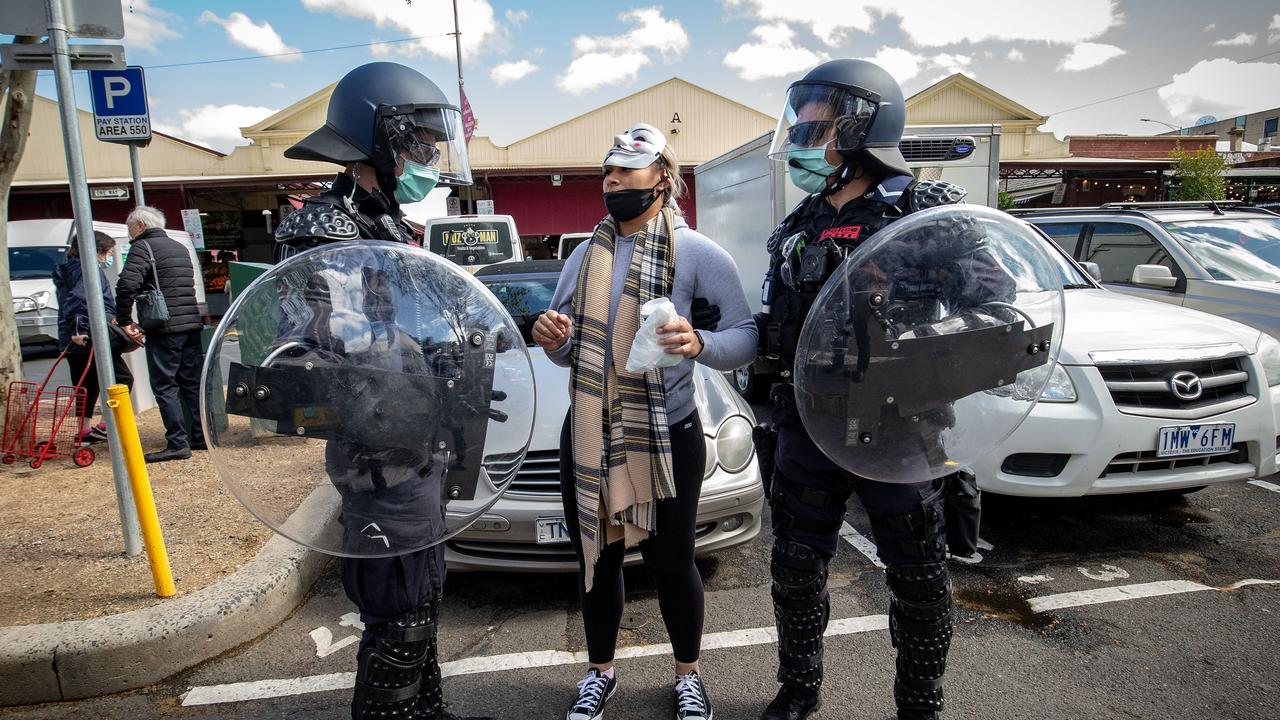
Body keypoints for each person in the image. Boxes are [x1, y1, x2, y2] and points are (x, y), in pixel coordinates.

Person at [755, 59, 977, 720]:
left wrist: (904, 320)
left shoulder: (924, 214)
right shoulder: (800, 223)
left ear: (861, 129)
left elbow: (992, 305)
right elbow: (776, 323)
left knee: (918, 578)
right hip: (808, 424)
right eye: (796, 128)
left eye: (814, 129)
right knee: (795, 571)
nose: (800, 141)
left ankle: (920, 705)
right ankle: (798, 691)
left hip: (899, 427)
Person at [272, 61, 485, 720]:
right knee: (397, 611)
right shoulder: (325, 233)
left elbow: (423, 328)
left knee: (420, 597)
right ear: (377, 143)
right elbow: (323, 354)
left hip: (419, 450)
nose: (428, 156)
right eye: (416, 143)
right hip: (379, 457)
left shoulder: (385, 225)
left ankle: (426, 713)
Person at [534, 123, 757, 720]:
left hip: (668, 432)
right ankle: (599, 672)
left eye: (625, 171)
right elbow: (563, 345)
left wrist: (698, 341)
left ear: (663, 176)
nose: (612, 182)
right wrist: (550, 336)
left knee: (672, 561)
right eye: (607, 172)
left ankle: (688, 675)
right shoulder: (585, 255)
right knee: (598, 559)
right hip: (589, 433)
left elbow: (745, 337)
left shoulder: (697, 253)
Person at [115, 206, 205, 463]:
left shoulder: (142, 248)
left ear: (141, 225)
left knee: (165, 385)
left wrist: (124, 320)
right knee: (191, 383)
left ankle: (177, 442)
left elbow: (127, 285)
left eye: (130, 228)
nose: (129, 233)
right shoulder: (180, 248)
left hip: (164, 327)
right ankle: (199, 436)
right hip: (190, 324)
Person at [51, 231, 134, 443]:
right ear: (96, 251)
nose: (107, 258)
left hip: (70, 338)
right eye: (107, 253)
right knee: (123, 378)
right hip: (90, 335)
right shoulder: (87, 271)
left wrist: (74, 331)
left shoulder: (67, 269)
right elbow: (80, 300)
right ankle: (109, 424)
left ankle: (84, 429)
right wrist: (80, 330)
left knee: (85, 385)